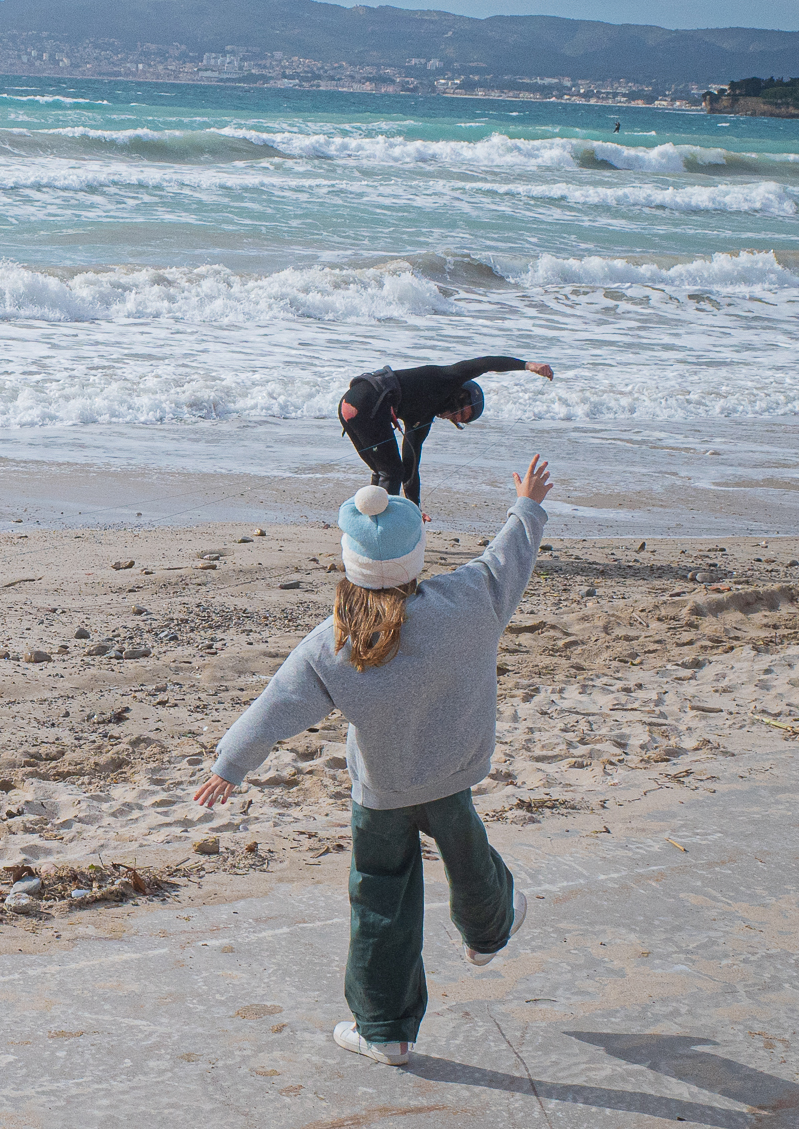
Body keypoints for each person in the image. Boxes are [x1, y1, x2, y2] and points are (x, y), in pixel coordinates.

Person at [195, 456, 552, 1065]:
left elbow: (275, 705)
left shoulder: (334, 642)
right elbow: (509, 556)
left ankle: (385, 1030)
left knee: (381, 899)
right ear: (415, 560)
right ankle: (490, 933)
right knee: (468, 854)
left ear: (350, 562)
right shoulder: (470, 600)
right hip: (453, 774)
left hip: (382, 789)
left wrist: (230, 764)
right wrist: (526, 503)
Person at [338, 357, 552, 512]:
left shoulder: (422, 418)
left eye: (459, 421)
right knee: (391, 472)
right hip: (369, 399)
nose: (456, 419)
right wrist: (527, 365)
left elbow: (410, 467)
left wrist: (414, 510)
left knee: (385, 470)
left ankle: (370, 520)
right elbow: (484, 364)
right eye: (461, 413)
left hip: (351, 405)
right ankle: (385, 531)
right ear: (460, 395)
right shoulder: (447, 378)